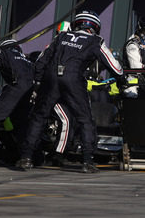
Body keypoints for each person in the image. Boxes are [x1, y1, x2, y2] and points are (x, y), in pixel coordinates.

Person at [16, 11, 124, 173]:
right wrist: (122, 78)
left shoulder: (61, 37)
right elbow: (114, 66)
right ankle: (87, 161)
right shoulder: (96, 41)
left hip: (50, 78)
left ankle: (26, 158)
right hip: (74, 78)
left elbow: (41, 60)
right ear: (94, 27)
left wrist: (38, 82)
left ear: (77, 23)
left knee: (38, 117)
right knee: (85, 119)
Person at [0, 39, 34, 144]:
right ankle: (28, 156)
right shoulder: (27, 60)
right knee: (20, 124)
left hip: (16, 87)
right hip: (30, 92)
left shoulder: (5, 53)